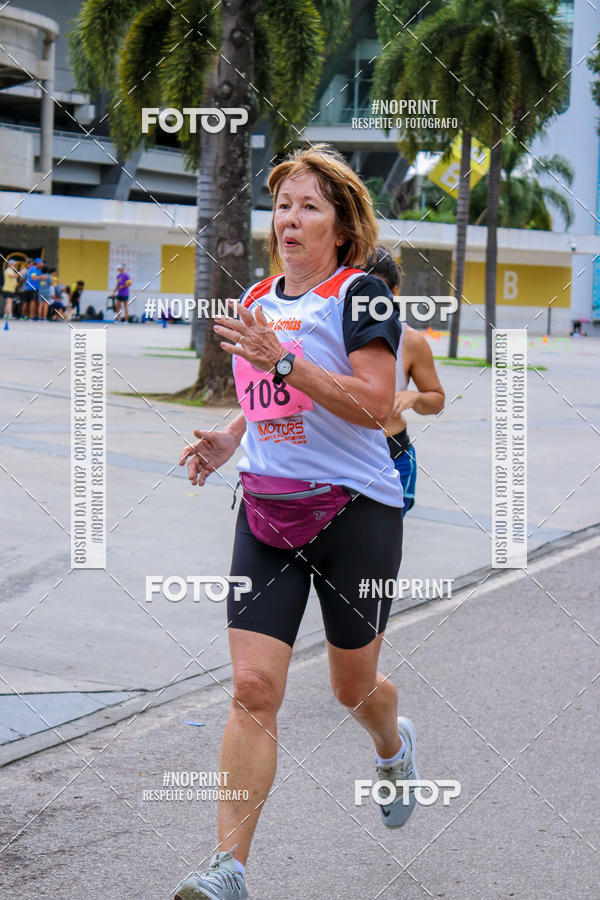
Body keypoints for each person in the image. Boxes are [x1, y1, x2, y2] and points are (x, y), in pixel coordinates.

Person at [176, 145, 419, 900]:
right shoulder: (258, 299)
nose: (290, 218)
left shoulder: (365, 298)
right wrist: (229, 438)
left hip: (357, 515)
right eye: (282, 204)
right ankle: (229, 869)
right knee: (252, 687)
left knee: (353, 688)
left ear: (341, 228)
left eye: (309, 206)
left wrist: (284, 361)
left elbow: (375, 404)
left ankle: (392, 743)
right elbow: (265, 403)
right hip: (268, 514)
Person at [365, 247, 445, 515]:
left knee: (379, 552)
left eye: (376, 292)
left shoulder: (410, 341)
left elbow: (436, 400)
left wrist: (415, 398)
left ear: (394, 293)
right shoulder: (331, 334)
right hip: (342, 456)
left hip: (393, 454)